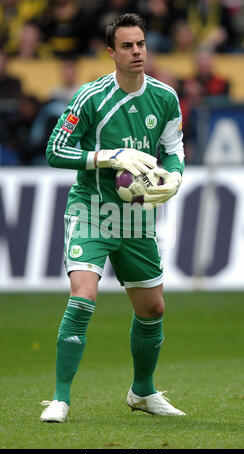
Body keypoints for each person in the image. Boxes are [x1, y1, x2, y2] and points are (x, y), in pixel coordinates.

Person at [40, 12, 185, 423]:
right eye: (127, 45)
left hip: (137, 218)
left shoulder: (165, 97)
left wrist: (174, 175)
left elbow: (173, 147)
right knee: (83, 295)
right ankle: (60, 399)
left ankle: (142, 392)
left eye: (140, 43)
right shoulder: (91, 98)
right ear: (111, 52)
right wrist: (109, 156)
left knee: (152, 309)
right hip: (92, 209)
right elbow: (55, 151)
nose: (137, 51)